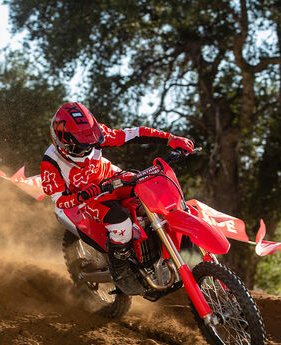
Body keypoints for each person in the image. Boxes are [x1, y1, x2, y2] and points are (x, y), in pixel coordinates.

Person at [40, 102, 194, 291]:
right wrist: (85, 194)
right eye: (80, 147)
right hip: (88, 197)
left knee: (153, 195)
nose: (87, 149)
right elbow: (59, 200)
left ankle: (162, 253)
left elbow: (134, 134)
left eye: (91, 143)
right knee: (120, 223)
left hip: (113, 178)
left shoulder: (94, 136)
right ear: (61, 142)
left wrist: (170, 139)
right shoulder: (51, 162)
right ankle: (120, 271)